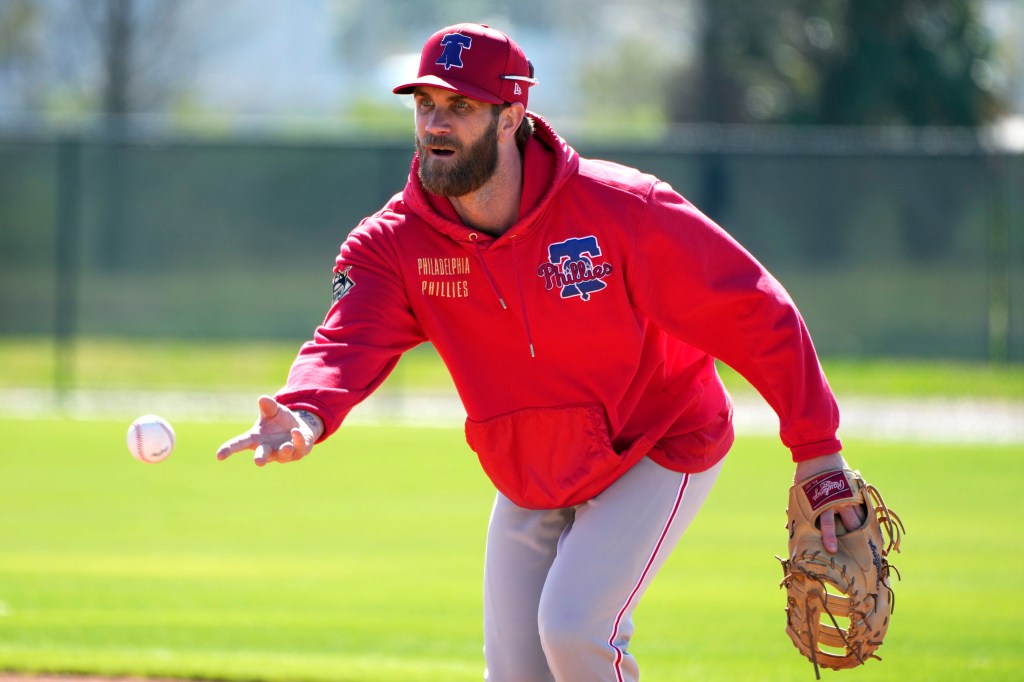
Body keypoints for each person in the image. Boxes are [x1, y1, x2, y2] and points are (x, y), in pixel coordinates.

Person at [216, 22, 865, 682]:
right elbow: (347, 338)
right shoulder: (396, 243)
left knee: (575, 630)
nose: (436, 124)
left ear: (512, 117)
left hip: (660, 442)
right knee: (516, 671)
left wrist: (818, 450)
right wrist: (305, 412)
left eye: (461, 106)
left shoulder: (619, 209)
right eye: (425, 105)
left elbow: (753, 309)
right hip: (532, 467)